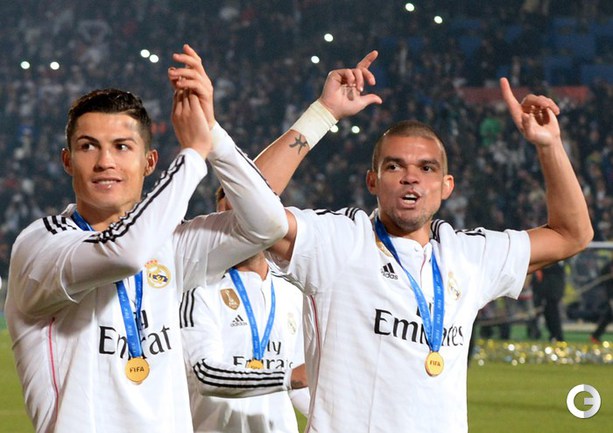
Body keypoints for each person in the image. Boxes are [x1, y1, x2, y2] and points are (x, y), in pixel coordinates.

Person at [171, 51, 593, 432]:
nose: (411, 177)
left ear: (446, 186)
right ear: (372, 181)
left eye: (426, 168)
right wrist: (322, 114)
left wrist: (550, 146)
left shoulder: (470, 255)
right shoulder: (340, 243)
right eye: (394, 166)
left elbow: (572, 235)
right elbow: (244, 209)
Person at [5, 44, 288, 433]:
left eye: (122, 147)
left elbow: (268, 225)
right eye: (88, 146)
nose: (105, 162)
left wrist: (212, 132)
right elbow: (125, 254)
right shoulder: (41, 244)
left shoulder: (171, 245)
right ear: (67, 161)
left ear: (149, 162)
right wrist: (193, 156)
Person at [180, 187, 310, 433]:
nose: (241, 222)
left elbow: (300, 383)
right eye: (230, 213)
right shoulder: (198, 288)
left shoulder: (292, 291)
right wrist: (289, 377)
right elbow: (204, 374)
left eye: (248, 210)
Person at [530, 260, 566, 341]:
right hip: (547, 291)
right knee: (548, 313)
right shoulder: (558, 264)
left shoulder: (555, 264)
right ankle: (554, 335)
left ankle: (556, 335)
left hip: (551, 292)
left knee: (552, 314)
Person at [590, 258, 613, 344]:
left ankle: (595, 336)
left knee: (608, 315)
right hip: (612, 293)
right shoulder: (609, 265)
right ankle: (595, 336)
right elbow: (603, 275)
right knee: (609, 315)